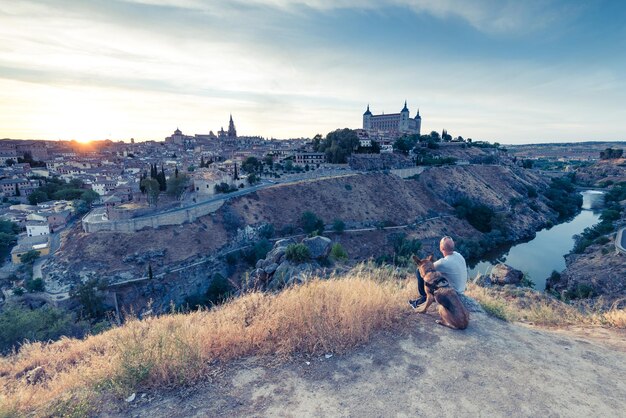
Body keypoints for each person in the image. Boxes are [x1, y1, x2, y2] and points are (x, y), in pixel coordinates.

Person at [409, 236, 468, 308]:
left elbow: (425, 268)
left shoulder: (443, 263)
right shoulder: (459, 255)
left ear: (441, 248)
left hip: (452, 294)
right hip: (461, 290)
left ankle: (424, 296)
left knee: (419, 271)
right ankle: (424, 297)